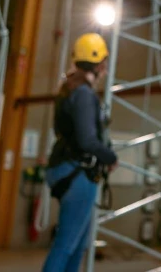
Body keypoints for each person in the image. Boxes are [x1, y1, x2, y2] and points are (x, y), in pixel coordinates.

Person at [41, 32, 117, 272]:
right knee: (66, 245)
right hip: (77, 173)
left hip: (67, 169)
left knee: (77, 245)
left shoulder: (69, 89)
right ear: (99, 63)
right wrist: (110, 157)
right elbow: (87, 139)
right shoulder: (83, 94)